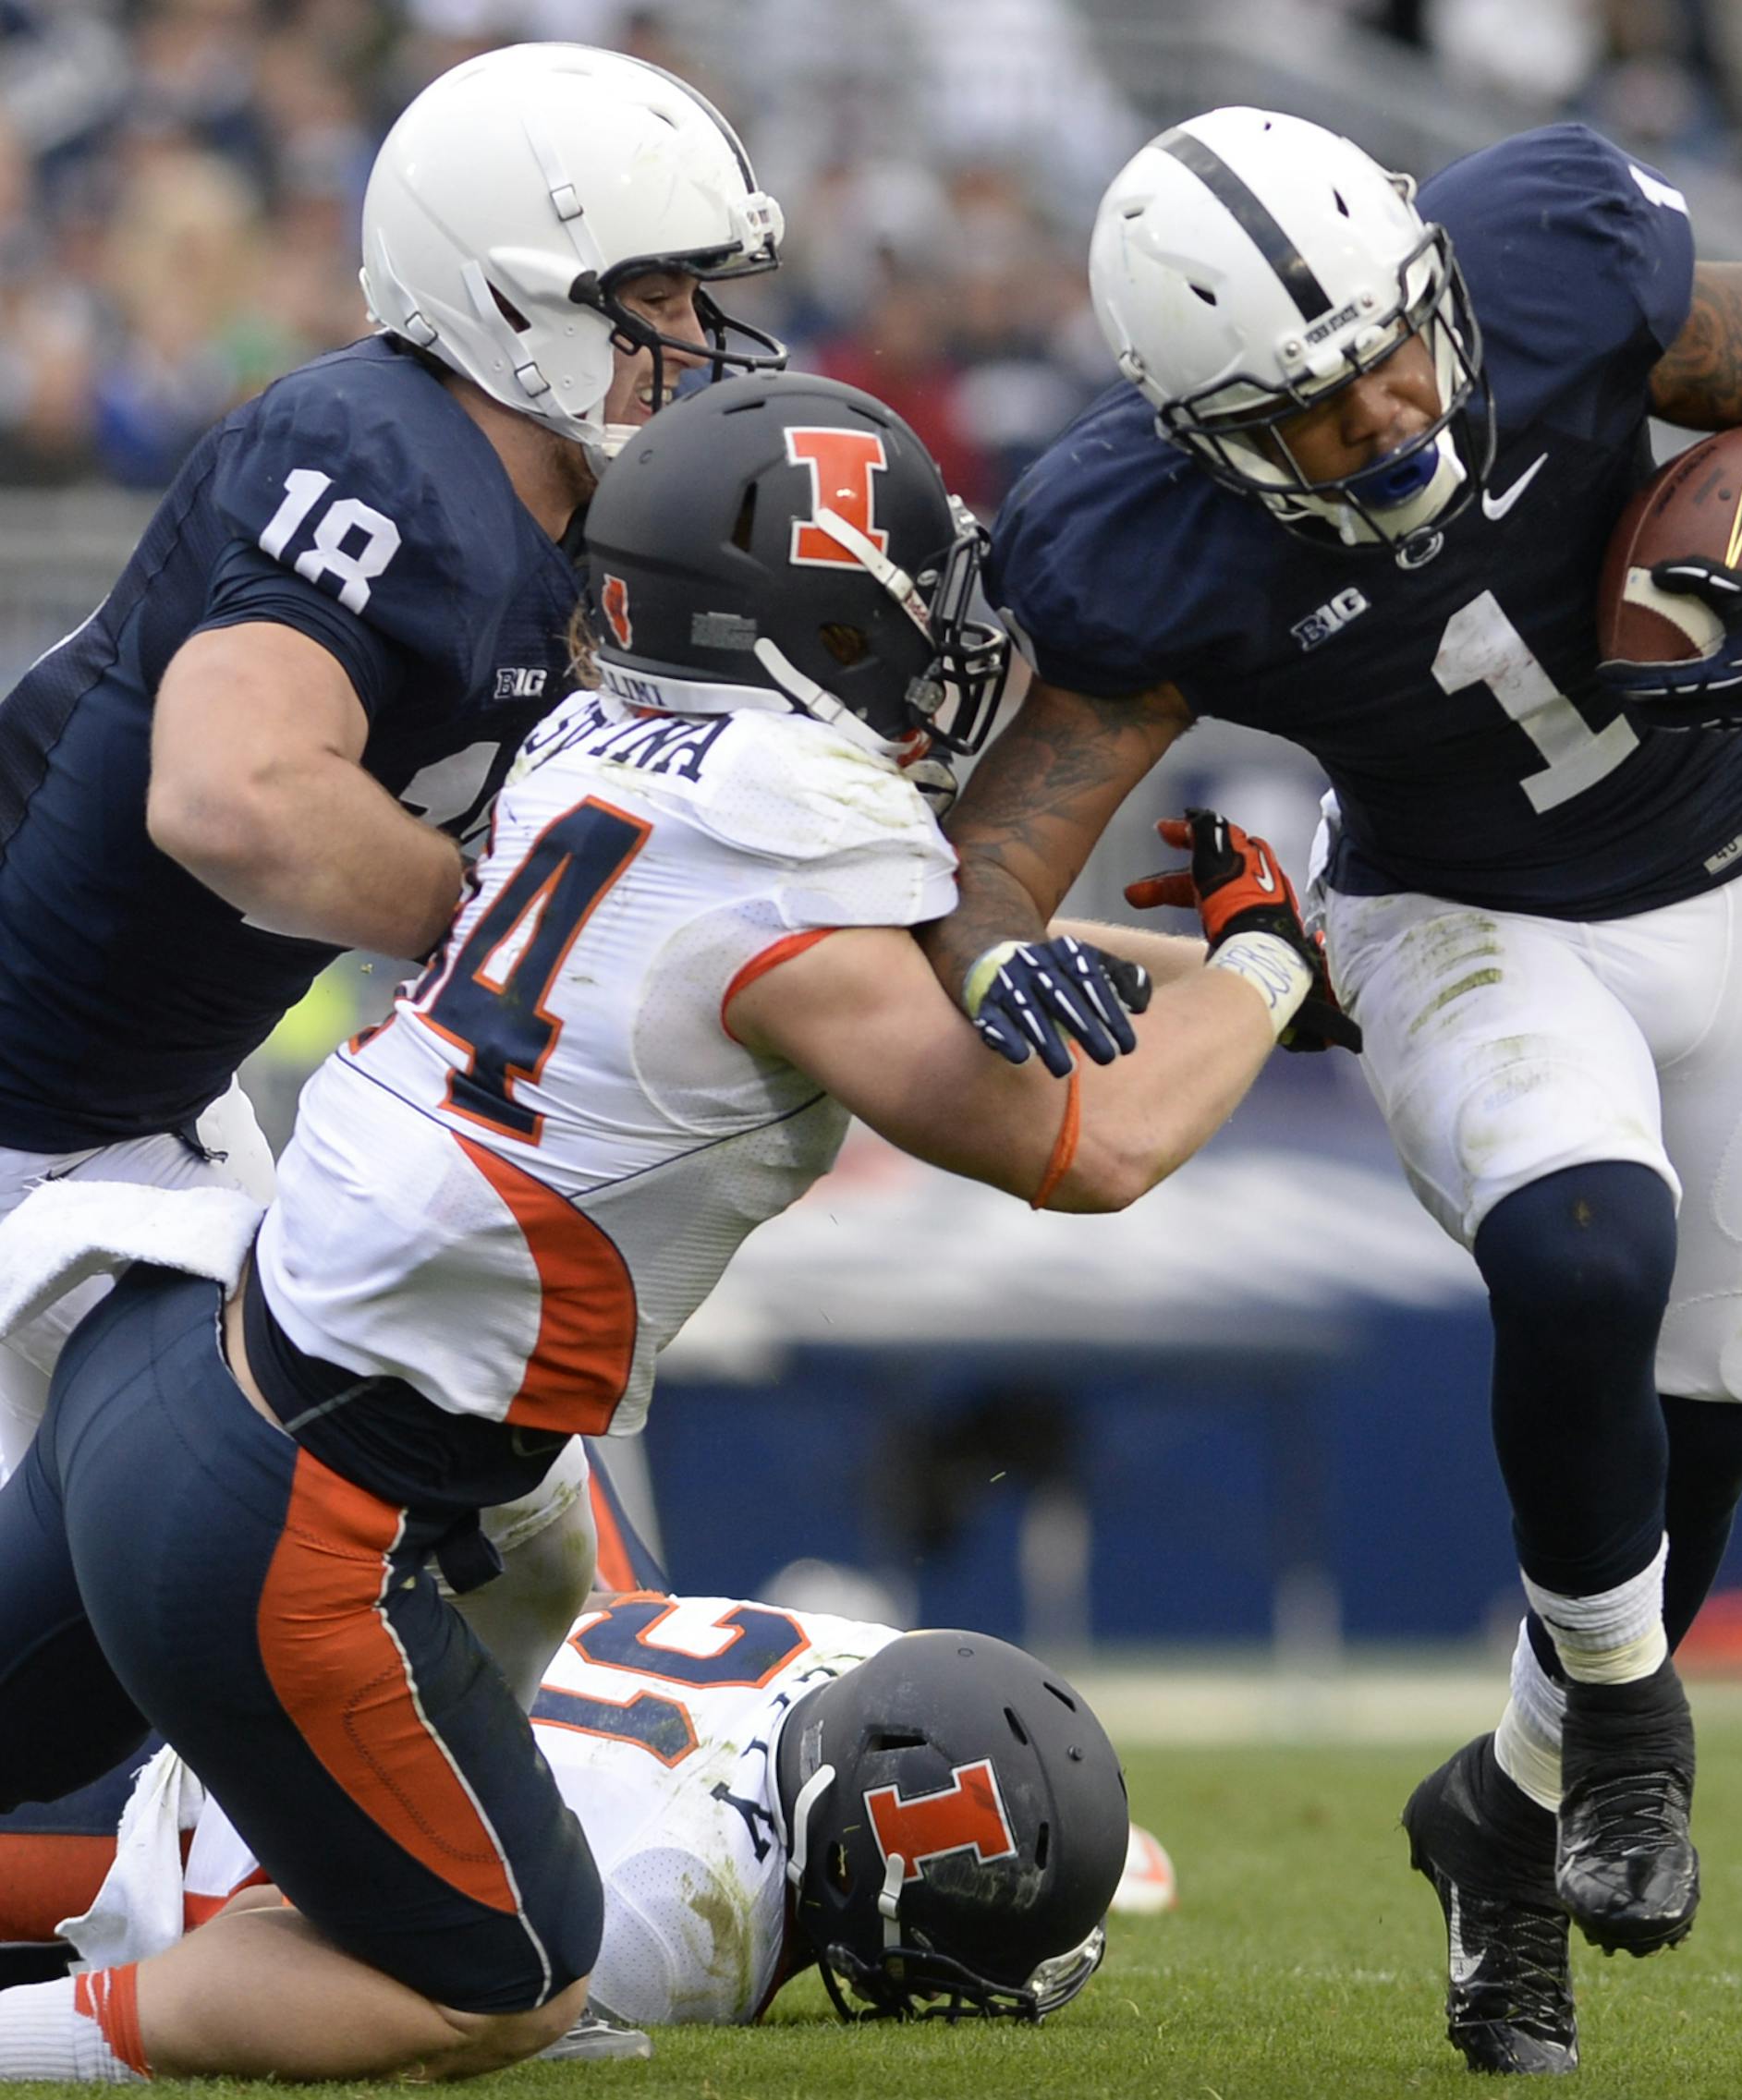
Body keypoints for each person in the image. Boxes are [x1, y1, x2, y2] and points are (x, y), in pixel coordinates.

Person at [0, 366, 1328, 2084]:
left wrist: (1231, 976)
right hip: (292, 1499)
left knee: (527, 1556)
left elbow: (876, 932)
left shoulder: (599, 741)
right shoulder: (793, 858)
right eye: (908, 602)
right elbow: (1095, 1143)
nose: (940, 637)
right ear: (814, 627)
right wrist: (1276, 959)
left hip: (189, 1361)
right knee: (503, 1976)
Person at [919, 109, 1742, 2075]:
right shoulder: (1153, 543)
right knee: (1588, 1259)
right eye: (1315, 406)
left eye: (1396, 344)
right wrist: (991, 945)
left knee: (1706, 1420)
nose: (1393, 404)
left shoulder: (1553, 270)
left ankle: (1495, 1814)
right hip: (1461, 920)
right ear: (1210, 434)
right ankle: (1633, 1737)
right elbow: (1003, 844)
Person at [0, 39, 788, 1698]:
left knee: (522, 1537)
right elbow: (233, 795)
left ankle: (546, 1831)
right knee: (143, 1645)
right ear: (520, 298)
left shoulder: (579, 534)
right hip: (33, 1140)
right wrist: (507, 920)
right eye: (654, 294)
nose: (693, 344)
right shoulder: (380, 453)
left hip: (152, 1117)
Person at [0, 1580, 1131, 2040]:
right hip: (177, 1819)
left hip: (238, 1648)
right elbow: (394, 1993)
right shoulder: (680, 1913)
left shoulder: (862, 1656)